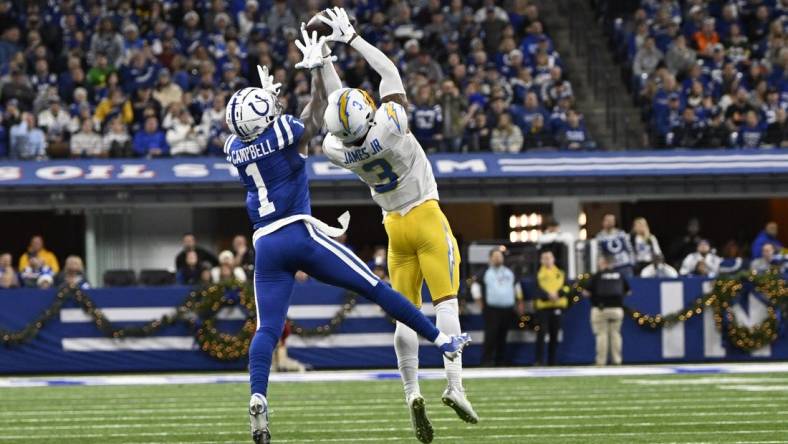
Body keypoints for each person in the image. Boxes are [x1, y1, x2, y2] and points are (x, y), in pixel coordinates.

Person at [223, 25, 468, 444]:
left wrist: (274, 101)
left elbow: (304, 127)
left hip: (265, 244)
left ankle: (258, 396)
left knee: (267, 329)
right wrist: (321, 67)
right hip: (311, 231)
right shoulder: (381, 125)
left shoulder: (235, 147)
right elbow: (321, 110)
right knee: (376, 287)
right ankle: (443, 342)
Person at [317, 8, 478, 439]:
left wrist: (322, 65)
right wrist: (350, 39)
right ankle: (455, 386)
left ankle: (411, 391)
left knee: (406, 317)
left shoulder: (340, 150)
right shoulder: (389, 126)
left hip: (392, 228)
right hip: (424, 215)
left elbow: (334, 109)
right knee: (446, 302)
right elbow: (387, 70)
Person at [471, 249, 523, 367]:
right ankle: (486, 361)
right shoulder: (484, 272)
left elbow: (517, 287)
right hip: (491, 309)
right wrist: (479, 301)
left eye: (499, 256)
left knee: (503, 335)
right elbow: (475, 286)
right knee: (491, 335)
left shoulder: (509, 272)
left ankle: (500, 361)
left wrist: (520, 302)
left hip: (507, 308)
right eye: (495, 256)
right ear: (490, 258)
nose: (498, 258)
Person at [583, 255, 630, 366]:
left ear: (603, 263)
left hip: (601, 309)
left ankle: (601, 362)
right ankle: (617, 360)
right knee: (616, 334)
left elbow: (586, 292)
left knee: (601, 335)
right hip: (617, 309)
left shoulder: (597, 276)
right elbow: (628, 291)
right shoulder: (619, 275)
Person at [535, 249, 566, 366]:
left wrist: (558, 294)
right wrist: (547, 295)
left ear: (553, 259)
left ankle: (552, 361)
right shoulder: (538, 273)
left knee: (554, 335)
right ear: (541, 260)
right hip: (543, 308)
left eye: (549, 257)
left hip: (558, 307)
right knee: (541, 335)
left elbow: (567, 287)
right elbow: (536, 289)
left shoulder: (560, 273)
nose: (547, 260)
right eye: (545, 258)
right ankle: (539, 361)